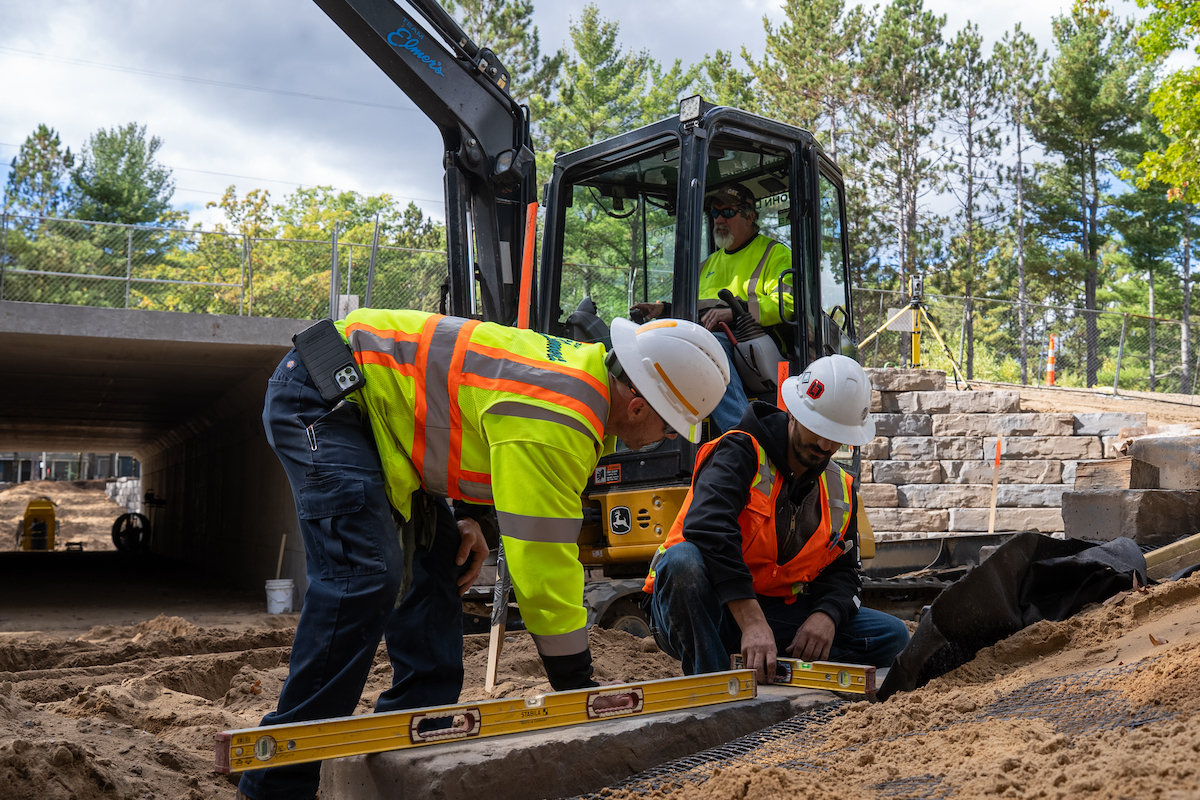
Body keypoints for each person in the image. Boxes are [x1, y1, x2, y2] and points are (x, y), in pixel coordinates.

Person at [237, 309, 730, 800]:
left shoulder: (581, 372)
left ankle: (413, 732)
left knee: (439, 557)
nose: (667, 441)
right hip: (328, 397)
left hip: (379, 415)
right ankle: (277, 781)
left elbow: (475, 408)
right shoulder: (561, 416)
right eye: (671, 428)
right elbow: (541, 567)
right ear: (639, 406)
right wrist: (577, 686)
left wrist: (475, 517)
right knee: (364, 575)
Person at [642, 354, 910, 683]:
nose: (825, 445)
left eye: (836, 435)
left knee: (892, 635)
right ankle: (714, 683)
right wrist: (752, 622)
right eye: (819, 429)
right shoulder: (740, 451)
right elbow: (708, 529)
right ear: (793, 412)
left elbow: (843, 570)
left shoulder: (840, 488)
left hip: (773, 615)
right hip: (701, 607)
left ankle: (769, 665)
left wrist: (826, 615)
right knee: (682, 560)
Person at [631, 182, 792, 434]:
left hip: (751, 337)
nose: (719, 219)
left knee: (707, 348)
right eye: (715, 213)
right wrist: (662, 311)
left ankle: (742, 435)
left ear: (750, 216)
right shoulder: (706, 265)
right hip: (705, 335)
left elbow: (787, 305)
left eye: (728, 212)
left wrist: (734, 313)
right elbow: (695, 308)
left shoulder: (774, 253)